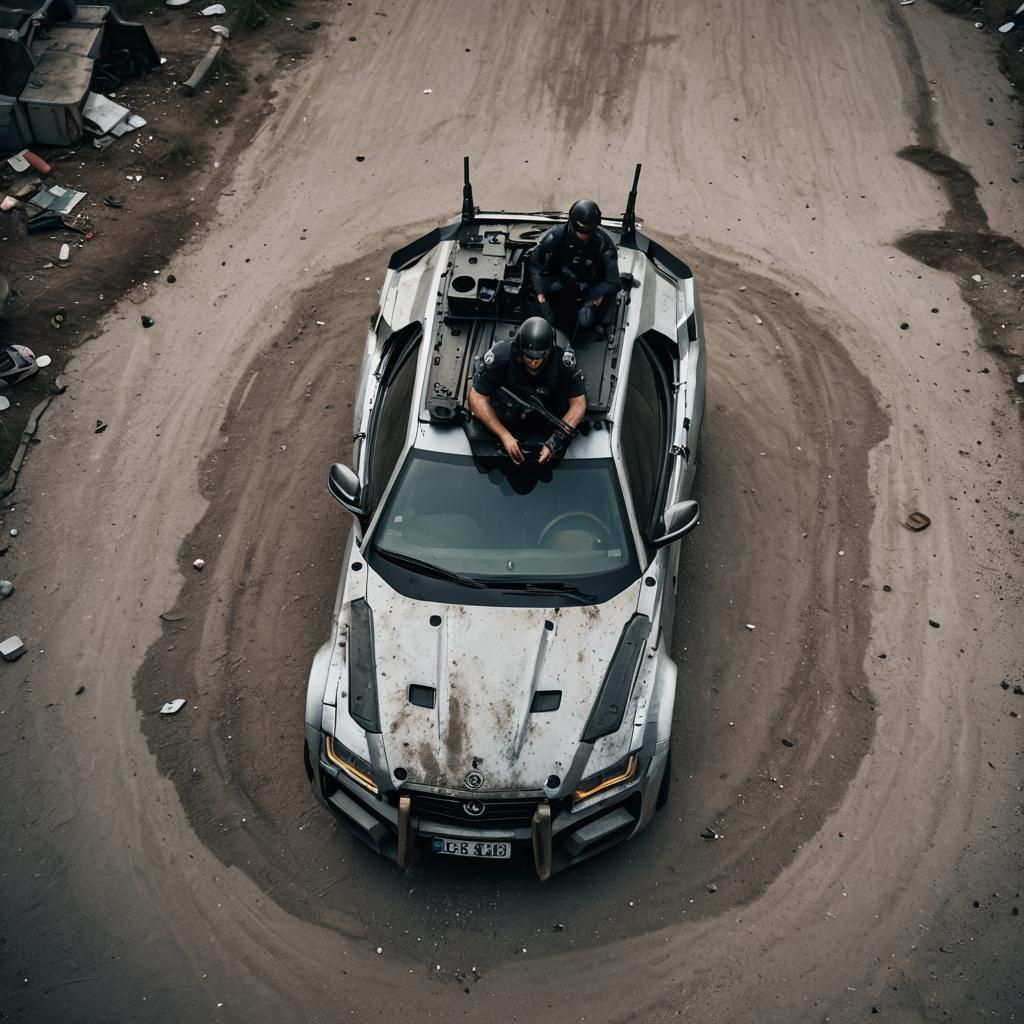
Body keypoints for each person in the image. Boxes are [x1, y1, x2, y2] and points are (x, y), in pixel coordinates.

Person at [468, 317, 587, 465]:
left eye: (540, 356)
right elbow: (476, 398)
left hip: (550, 412)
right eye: (528, 356)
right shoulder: (502, 356)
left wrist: (554, 441)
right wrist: (504, 435)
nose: (533, 362)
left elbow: (579, 404)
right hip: (508, 413)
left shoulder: (563, 360)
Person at [527, 199, 621, 336]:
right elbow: (535, 263)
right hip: (560, 283)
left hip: (588, 288)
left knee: (586, 320)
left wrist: (599, 292)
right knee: (544, 313)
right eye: (581, 230)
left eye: (588, 231)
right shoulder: (555, 237)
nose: (584, 236)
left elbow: (613, 281)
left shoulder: (603, 244)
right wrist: (540, 292)